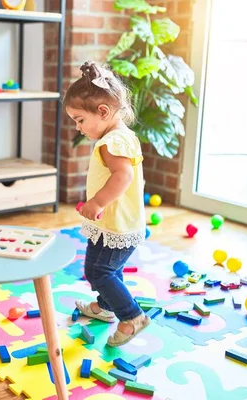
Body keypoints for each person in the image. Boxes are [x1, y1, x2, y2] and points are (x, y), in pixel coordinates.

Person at [63, 61, 149, 347]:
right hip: (112, 223)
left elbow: (123, 176)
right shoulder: (118, 137)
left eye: (79, 120)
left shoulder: (113, 142)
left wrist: (97, 201)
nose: (78, 127)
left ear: (102, 112)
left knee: (98, 271)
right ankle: (106, 307)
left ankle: (132, 316)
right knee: (109, 269)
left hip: (117, 222)